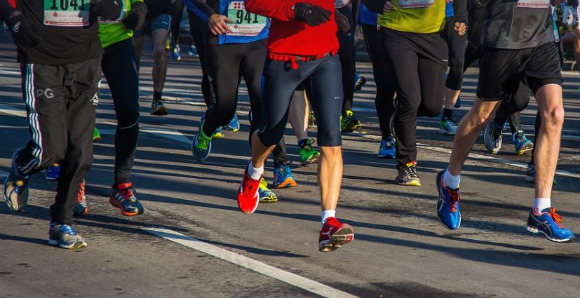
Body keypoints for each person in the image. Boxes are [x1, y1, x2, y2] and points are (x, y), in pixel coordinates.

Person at [436, 0, 575, 243]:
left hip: (541, 36)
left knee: (555, 114)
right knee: (482, 116)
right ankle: (449, 182)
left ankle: (541, 210)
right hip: (503, 39)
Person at [1, 0, 121, 249]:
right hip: (41, 58)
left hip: (86, 61)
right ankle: (23, 165)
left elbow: (115, 9)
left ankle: (61, 223)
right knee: (50, 150)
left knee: (81, 152)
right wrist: (13, 19)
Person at [238, 0, 354, 252]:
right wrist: (295, 10)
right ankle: (254, 172)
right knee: (272, 133)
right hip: (284, 58)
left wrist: (340, 11)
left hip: (325, 58)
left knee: (331, 140)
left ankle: (328, 222)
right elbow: (252, 3)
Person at [366, 0, 467, 186]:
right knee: (410, 98)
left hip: (434, 34)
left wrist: (461, 16)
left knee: (432, 106)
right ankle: (406, 165)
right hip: (396, 31)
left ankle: (400, 116)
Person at [358, 1, 396, 158]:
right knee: (385, 81)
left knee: (409, 83)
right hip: (375, 17)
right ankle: (388, 136)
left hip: (415, 20)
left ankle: (403, 132)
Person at [134, 0, 175, 116]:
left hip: (161, 10)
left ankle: (157, 98)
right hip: (138, 8)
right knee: (135, 51)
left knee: (160, 50)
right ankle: (132, 94)